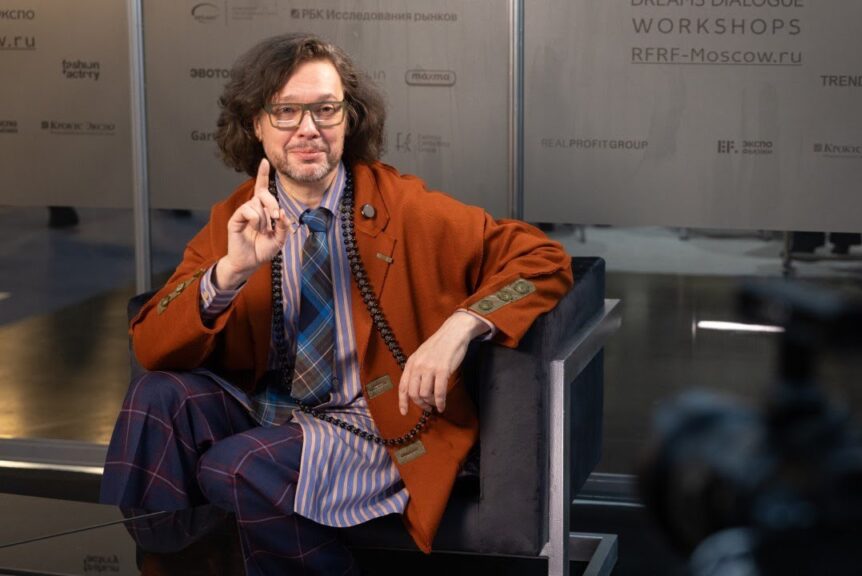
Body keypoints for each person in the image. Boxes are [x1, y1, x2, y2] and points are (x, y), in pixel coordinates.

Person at [100, 32, 572, 574]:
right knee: (156, 396)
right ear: (256, 125)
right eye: (286, 111)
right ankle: (170, 560)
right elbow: (151, 345)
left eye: (326, 109)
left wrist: (458, 329)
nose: (308, 128)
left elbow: (543, 259)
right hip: (269, 407)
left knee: (237, 467)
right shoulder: (237, 216)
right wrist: (231, 270)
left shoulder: (406, 209)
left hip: (372, 422)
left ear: (350, 119)